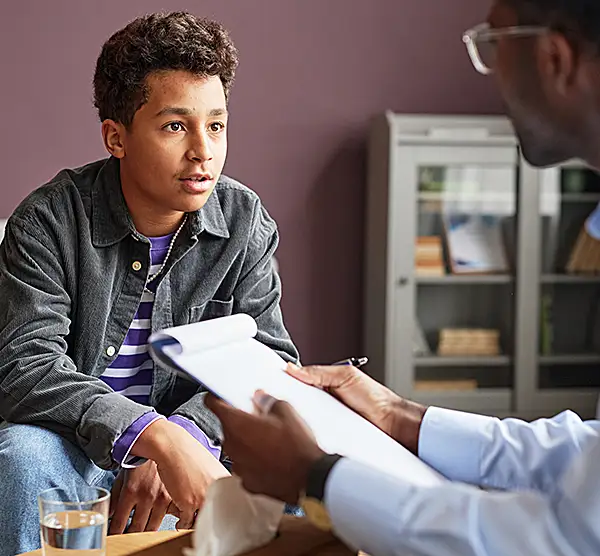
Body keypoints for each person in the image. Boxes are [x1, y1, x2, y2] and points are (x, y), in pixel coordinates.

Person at [206, 0, 600, 554]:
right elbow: (582, 454)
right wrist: (400, 417)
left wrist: (315, 476)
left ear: (554, 57)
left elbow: (560, 540)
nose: (490, 79)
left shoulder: (244, 220)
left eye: (494, 44)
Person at [0, 11, 299, 556]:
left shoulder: (245, 220)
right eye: (175, 126)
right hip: (72, 453)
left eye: (216, 125)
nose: (203, 151)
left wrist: (186, 436)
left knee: (316, 483)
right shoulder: (48, 221)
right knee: (20, 460)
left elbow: (269, 360)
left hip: (196, 454)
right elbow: (25, 367)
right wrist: (149, 436)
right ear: (117, 137)